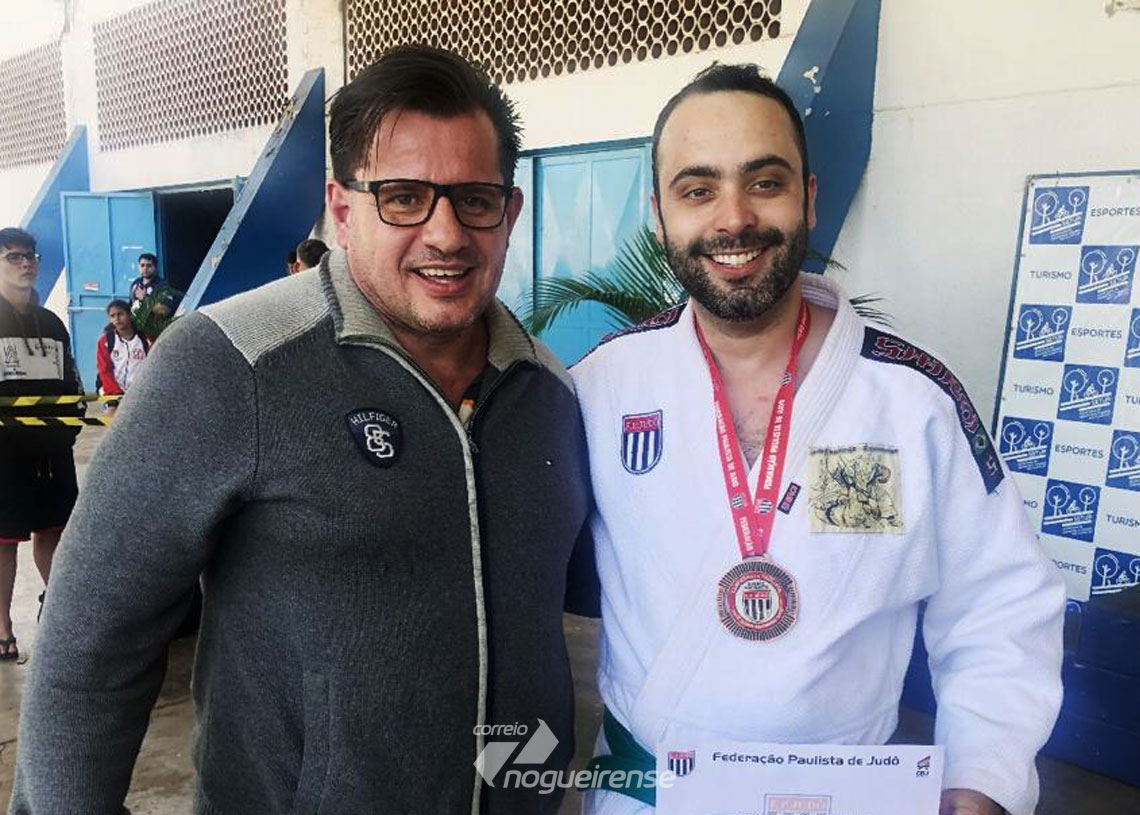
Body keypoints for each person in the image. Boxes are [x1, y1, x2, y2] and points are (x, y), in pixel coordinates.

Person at [11, 45, 595, 814]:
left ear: (509, 212)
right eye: (403, 197)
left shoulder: (547, 392)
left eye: (475, 200)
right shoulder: (232, 362)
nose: (447, 233)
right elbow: (91, 638)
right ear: (342, 209)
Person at [571, 64, 1064, 815]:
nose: (734, 218)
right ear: (660, 215)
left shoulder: (913, 399)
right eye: (697, 190)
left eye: (764, 182)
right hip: (649, 796)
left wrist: (981, 778)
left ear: (808, 197)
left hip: (849, 797)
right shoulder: (603, 386)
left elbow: (1001, 606)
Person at [0, 227, 82, 662]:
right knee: (4, 541)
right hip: (4, 454)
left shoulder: (52, 324)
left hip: (52, 449)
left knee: (54, 532)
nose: (26, 263)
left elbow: (72, 381)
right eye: (14, 257)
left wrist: (68, 430)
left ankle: (61, 615)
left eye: (30, 256)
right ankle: (2, 629)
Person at [95, 299, 151, 397]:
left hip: (139, 393)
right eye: (112, 316)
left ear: (129, 315)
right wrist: (115, 393)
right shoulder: (105, 341)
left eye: (120, 314)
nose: (117, 319)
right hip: (112, 392)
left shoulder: (145, 340)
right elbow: (104, 369)